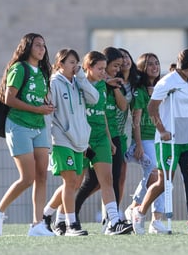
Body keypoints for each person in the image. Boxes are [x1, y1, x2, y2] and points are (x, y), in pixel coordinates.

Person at [131, 48, 188, 235]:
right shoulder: (167, 82)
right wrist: (162, 131)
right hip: (167, 140)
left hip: (187, 139)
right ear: (184, 66)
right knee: (164, 182)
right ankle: (139, 212)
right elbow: (152, 108)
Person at [0, 33, 55, 236]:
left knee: (42, 176)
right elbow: (9, 98)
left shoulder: (43, 72)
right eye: (37, 45)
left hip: (39, 127)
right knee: (27, 177)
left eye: (44, 45)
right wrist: (37, 109)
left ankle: (37, 225)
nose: (42, 49)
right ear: (27, 47)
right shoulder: (19, 68)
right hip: (19, 126)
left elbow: (37, 99)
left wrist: (45, 106)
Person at [72, 50, 132, 235]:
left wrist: (108, 139)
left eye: (106, 68)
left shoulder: (104, 85)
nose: (105, 72)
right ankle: (57, 216)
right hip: (82, 139)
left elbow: (104, 115)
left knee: (108, 180)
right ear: (88, 67)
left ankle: (113, 221)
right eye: (101, 68)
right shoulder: (77, 86)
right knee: (75, 183)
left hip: (102, 138)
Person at [41, 48, 99, 236]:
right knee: (70, 181)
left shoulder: (78, 82)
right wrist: (48, 143)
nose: (76, 65)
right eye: (71, 62)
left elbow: (94, 98)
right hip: (61, 139)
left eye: (77, 62)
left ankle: (46, 215)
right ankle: (71, 224)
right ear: (60, 64)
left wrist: (82, 77)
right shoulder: (54, 83)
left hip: (80, 140)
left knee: (73, 182)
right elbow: (49, 113)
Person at [124, 53, 168, 234]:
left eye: (156, 63)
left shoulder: (162, 87)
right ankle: (137, 207)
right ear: (142, 68)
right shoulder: (139, 91)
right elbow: (136, 120)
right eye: (150, 64)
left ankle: (153, 219)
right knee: (157, 175)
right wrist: (139, 144)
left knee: (163, 178)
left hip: (160, 138)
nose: (154, 67)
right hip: (146, 139)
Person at [115, 48, 139, 221]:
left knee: (121, 176)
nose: (125, 60)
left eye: (127, 56)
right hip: (107, 131)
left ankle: (114, 212)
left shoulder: (135, 82)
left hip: (124, 133)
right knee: (99, 179)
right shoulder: (111, 81)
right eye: (120, 58)